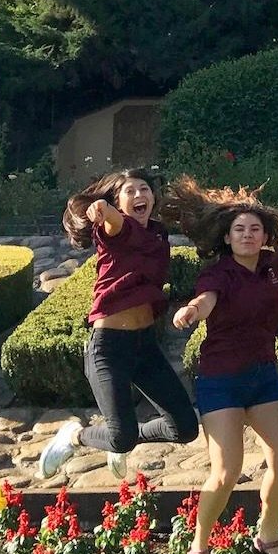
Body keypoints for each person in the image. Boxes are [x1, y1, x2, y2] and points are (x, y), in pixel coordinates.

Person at [167, 179, 278, 554]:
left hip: (263, 377)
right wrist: (191, 310)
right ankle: (199, 551)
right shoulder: (218, 274)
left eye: (255, 230)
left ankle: (268, 536)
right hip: (221, 380)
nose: (248, 235)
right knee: (226, 473)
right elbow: (205, 300)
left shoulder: (272, 266)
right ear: (227, 236)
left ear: (265, 237)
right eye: (240, 229)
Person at [40, 170, 200, 484]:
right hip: (109, 348)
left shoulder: (157, 233)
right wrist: (102, 209)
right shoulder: (116, 229)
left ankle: (117, 439)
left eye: (145, 189)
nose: (140, 195)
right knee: (121, 437)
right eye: (130, 191)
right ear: (118, 201)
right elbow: (112, 218)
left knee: (184, 428)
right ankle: (75, 436)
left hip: (145, 346)